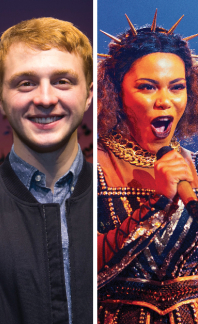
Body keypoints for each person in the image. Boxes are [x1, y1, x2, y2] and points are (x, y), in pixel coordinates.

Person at [97, 12, 198, 323]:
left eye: (176, 87)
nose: (165, 101)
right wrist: (157, 203)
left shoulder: (195, 167)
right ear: (115, 92)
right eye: (148, 87)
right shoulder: (87, 165)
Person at [0, 17, 94, 323]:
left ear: (89, 94)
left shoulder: (118, 201)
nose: (46, 99)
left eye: (63, 81)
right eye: (26, 83)